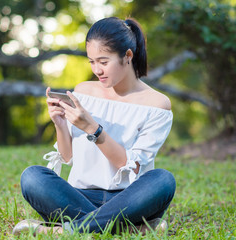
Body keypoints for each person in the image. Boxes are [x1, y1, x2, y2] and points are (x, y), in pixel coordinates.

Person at [13, 16, 176, 236]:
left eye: (103, 61)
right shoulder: (84, 91)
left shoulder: (157, 104)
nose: (97, 69)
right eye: (91, 61)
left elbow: (132, 169)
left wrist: (94, 130)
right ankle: (124, 229)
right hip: (79, 197)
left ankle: (64, 231)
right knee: (32, 177)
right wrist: (60, 124)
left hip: (129, 199)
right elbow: (69, 157)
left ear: (127, 56)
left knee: (163, 180)